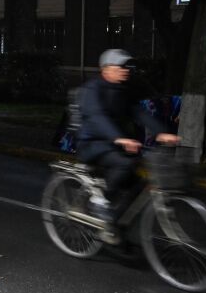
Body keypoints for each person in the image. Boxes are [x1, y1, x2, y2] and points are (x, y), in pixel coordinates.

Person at [76, 49, 180, 230]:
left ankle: (114, 228)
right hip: (92, 143)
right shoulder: (93, 88)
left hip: (113, 143)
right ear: (106, 69)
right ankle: (98, 201)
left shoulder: (122, 89)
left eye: (127, 67)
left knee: (137, 185)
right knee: (124, 163)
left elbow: (138, 112)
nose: (125, 70)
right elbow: (96, 117)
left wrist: (161, 132)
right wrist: (119, 138)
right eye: (121, 67)